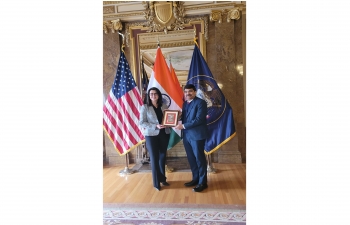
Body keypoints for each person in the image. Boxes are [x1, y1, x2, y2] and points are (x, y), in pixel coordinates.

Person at [174, 84, 209, 192]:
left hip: (197, 136)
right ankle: (195, 179)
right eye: (186, 92)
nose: (187, 93)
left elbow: (199, 119)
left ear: (194, 92)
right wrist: (179, 117)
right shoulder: (185, 104)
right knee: (191, 159)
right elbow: (186, 118)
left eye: (190, 91)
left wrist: (183, 126)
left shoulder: (201, 103)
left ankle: (203, 183)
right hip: (187, 136)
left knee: (199, 158)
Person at [139, 87, 171, 191]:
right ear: (149, 95)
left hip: (164, 134)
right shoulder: (145, 107)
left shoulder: (164, 106)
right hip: (151, 135)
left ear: (159, 95)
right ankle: (156, 182)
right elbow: (142, 122)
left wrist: (169, 123)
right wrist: (155, 126)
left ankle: (163, 179)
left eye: (155, 93)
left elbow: (169, 119)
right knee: (154, 158)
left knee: (162, 157)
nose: (153, 95)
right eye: (151, 94)